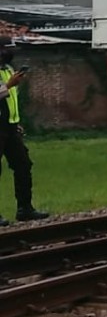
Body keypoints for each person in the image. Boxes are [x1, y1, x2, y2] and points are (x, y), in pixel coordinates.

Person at [0, 36, 49, 225]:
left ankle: (25, 209)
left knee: (23, 165)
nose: (10, 54)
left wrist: (16, 122)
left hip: (10, 127)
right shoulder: (7, 76)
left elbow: (12, 100)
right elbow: (6, 91)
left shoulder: (8, 70)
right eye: (6, 50)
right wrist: (9, 84)